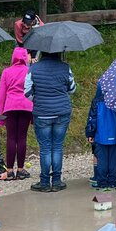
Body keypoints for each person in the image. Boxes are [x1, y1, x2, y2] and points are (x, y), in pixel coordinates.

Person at [24, 50, 76, 193]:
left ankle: (45, 182)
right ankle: (57, 181)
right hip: (62, 112)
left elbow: (27, 91)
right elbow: (72, 89)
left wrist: (38, 100)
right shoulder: (65, 67)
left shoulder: (33, 68)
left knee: (45, 148)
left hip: (42, 114)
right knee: (57, 146)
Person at [0, 46, 33, 181]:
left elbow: (1, 94)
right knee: (22, 137)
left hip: (10, 106)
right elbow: (33, 91)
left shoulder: (6, 72)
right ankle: (21, 169)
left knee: (11, 138)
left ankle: (10, 170)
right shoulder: (29, 71)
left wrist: (0, 115)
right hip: (26, 106)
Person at [86, 82, 116, 191]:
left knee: (102, 159)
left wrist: (90, 133)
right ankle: (113, 181)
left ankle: (102, 182)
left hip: (100, 135)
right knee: (113, 159)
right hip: (115, 134)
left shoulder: (96, 102)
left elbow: (92, 119)